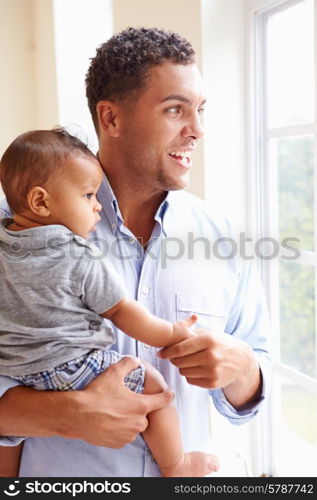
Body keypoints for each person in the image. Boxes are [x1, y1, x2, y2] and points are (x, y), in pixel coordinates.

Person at [0, 27, 271, 477]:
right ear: (110, 119)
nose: (197, 130)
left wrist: (243, 367)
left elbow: (252, 391)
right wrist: (64, 414)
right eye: (175, 109)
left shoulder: (220, 236)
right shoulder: (15, 229)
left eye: (200, 110)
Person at [0, 128, 220, 478]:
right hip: (71, 370)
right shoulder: (77, 253)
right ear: (41, 201)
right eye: (88, 195)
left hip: (16, 372)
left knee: (7, 438)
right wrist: (170, 333)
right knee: (152, 384)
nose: (97, 204)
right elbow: (121, 310)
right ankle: (176, 465)